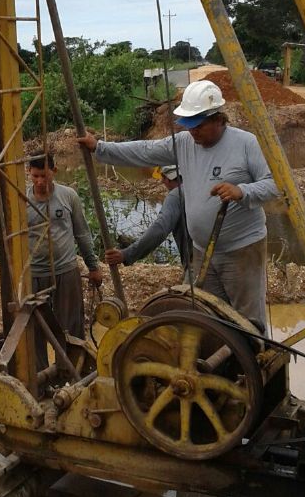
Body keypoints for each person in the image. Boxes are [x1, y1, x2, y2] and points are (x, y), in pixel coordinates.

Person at [78, 80, 279, 332]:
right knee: (204, 317)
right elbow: (144, 151)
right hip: (201, 251)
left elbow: (275, 185)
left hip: (241, 250)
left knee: (247, 322)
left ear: (218, 118)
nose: (193, 131)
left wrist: (242, 191)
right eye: (189, 125)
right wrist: (100, 148)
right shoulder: (184, 142)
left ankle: (255, 366)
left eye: (199, 125)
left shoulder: (246, 143)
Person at [27, 154, 103, 367]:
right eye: (35, 176)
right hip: (35, 274)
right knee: (35, 330)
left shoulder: (68, 196)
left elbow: (82, 233)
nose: (40, 182)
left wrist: (93, 266)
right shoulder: (22, 201)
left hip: (66, 271)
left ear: (54, 171)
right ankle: (40, 378)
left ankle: (72, 373)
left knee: (71, 326)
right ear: (29, 174)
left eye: (44, 175)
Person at [104, 165, 192, 270]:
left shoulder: (176, 195)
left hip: (196, 262)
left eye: (163, 178)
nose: (162, 181)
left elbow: (160, 229)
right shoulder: (197, 189)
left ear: (168, 179)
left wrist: (126, 254)